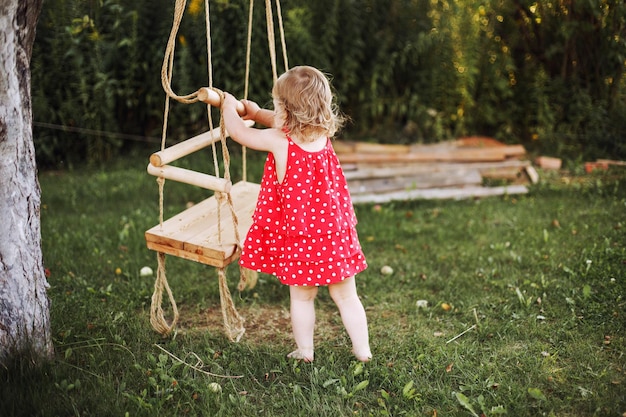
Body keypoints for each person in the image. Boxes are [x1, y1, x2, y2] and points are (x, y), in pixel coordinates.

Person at [221, 66, 371, 363]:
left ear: (288, 114)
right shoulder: (322, 134)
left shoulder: (279, 142)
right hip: (334, 235)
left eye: (276, 106)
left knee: (303, 297)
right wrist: (256, 111)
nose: (273, 111)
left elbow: (238, 133)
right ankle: (363, 351)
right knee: (347, 297)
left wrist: (229, 105)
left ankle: (305, 352)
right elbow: (282, 123)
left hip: (302, 240)